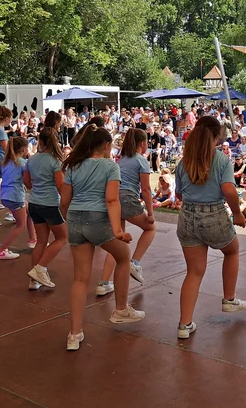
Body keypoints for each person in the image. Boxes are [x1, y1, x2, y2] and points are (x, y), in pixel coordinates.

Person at [60, 125, 145, 351]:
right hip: (98, 219)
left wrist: (69, 220)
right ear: (107, 146)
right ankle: (120, 309)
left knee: (80, 279)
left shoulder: (73, 165)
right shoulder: (110, 166)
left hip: (75, 219)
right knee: (124, 257)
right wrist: (117, 230)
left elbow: (64, 201)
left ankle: (74, 333)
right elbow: (111, 200)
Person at [175, 116, 246, 340]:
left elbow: (178, 194)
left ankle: (184, 325)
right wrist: (237, 213)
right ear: (217, 137)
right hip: (213, 214)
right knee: (232, 250)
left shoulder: (183, 161)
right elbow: (229, 190)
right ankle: (229, 298)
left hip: (187, 217)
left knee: (194, 272)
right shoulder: (221, 160)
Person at [98, 128, 156, 295]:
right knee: (150, 228)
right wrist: (150, 212)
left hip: (114, 199)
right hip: (128, 198)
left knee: (118, 241)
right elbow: (145, 189)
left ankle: (103, 283)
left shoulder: (122, 159)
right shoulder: (141, 161)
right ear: (143, 144)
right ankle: (135, 262)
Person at [24, 128, 68, 289]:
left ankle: (34, 280)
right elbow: (60, 185)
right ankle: (40, 268)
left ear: (40, 141)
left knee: (41, 241)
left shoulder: (32, 159)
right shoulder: (55, 161)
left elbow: (27, 182)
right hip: (50, 204)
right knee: (62, 237)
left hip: (34, 202)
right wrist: (66, 204)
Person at [0, 137, 36, 260]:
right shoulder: (22, 163)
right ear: (24, 149)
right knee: (20, 225)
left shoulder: (6, 162)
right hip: (15, 196)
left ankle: (33, 239)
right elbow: (27, 179)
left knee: (30, 212)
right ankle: (1, 250)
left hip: (5, 194)